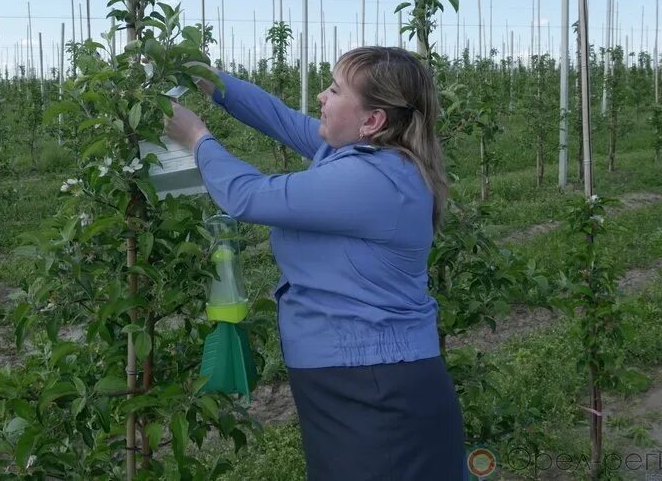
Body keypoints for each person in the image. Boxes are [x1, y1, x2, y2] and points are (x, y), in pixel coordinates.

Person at [164, 46, 467, 480]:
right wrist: (208, 78)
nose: (321, 97)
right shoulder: (362, 153)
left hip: (377, 390)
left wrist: (197, 139)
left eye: (334, 89)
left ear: (372, 121)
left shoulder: (373, 180)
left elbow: (247, 196)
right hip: (355, 379)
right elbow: (281, 118)